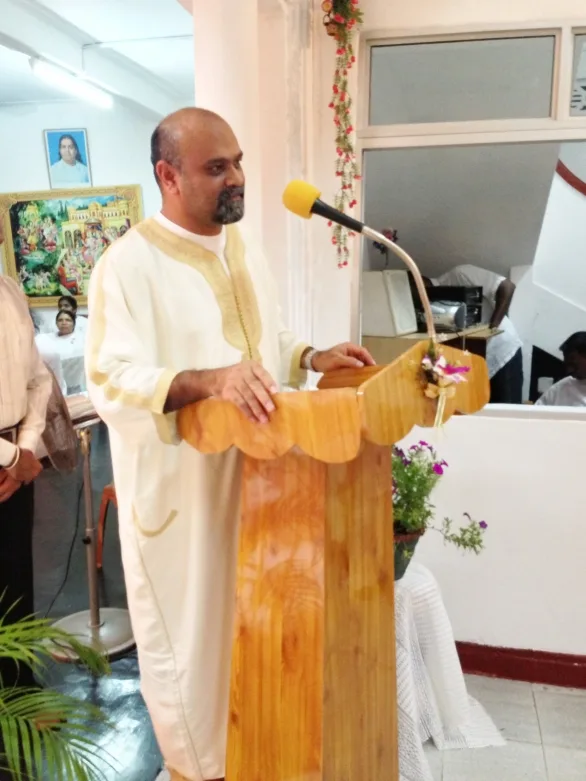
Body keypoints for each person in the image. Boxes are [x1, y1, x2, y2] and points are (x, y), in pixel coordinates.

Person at [85, 107, 374, 781]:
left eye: (238, 161)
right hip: (185, 506)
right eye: (217, 167)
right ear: (168, 175)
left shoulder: (242, 249)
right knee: (196, 660)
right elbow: (111, 382)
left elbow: (262, 347)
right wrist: (206, 381)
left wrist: (311, 353)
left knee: (257, 653)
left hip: (266, 493)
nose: (237, 178)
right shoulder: (125, 268)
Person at [0, 276, 52, 689]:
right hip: (11, 459)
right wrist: (13, 459)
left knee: (16, 576)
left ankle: (20, 691)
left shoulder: (10, 288)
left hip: (18, 451)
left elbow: (38, 378)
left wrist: (27, 447)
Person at [427, 265, 523, 404]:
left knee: (507, 408)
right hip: (478, 357)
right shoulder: (428, 306)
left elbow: (508, 286)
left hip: (502, 348)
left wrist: (492, 327)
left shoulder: (459, 274)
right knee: (485, 409)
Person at [536, 332, 586, 406]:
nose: (569, 371)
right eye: (567, 364)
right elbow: (536, 414)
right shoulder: (559, 389)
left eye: (573, 364)